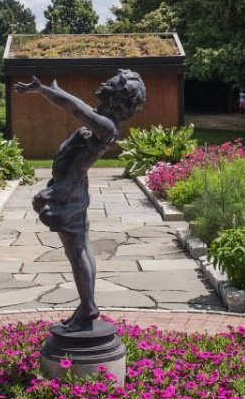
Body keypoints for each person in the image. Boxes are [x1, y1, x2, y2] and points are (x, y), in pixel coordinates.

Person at [14, 70, 146, 332]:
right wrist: (49, 89)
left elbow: (76, 108)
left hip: (68, 192)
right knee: (80, 249)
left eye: (109, 84)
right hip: (71, 190)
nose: (102, 83)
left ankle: (87, 306)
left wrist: (44, 91)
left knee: (77, 251)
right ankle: (88, 305)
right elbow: (78, 106)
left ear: (118, 99)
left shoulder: (105, 126)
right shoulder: (103, 122)